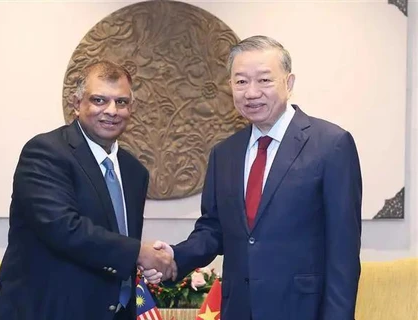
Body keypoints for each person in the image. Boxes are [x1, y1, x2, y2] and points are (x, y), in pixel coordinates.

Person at [145, 35, 362, 320]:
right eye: (241, 81)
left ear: (289, 83)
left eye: (264, 80)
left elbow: (343, 252)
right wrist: (175, 257)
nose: (251, 92)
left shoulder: (331, 144)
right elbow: (213, 229)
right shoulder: (224, 153)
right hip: (238, 309)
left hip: (302, 310)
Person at [0, 60, 175, 320]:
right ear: (77, 105)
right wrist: (138, 253)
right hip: (47, 310)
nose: (112, 110)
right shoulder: (45, 152)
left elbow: (117, 244)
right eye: (99, 100)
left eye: (121, 102)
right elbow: (63, 228)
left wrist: (146, 262)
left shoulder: (134, 172)